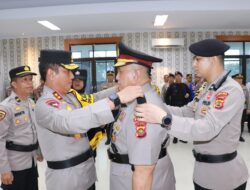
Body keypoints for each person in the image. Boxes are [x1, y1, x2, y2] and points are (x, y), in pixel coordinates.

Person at [135, 39, 249, 190]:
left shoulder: (230, 90)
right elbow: (187, 111)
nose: (194, 64)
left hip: (224, 177)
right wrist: (156, 105)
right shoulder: (207, 87)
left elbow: (207, 129)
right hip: (202, 173)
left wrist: (164, 119)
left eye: (198, 59)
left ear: (214, 59)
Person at [34, 49, 143, 190]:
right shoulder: (44, 104)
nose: (73, 76)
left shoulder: (70, 96)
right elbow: (69, 122)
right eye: (67, 71)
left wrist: (118, 88)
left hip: (86, 173)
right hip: (66, 180)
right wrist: (116, 100)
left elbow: (94, 99)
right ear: (51, 73)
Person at [108, 42, 175, 190]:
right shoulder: (135, 99)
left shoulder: (143, 108)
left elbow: (143, 171)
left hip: (132, 180)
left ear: (135, 75)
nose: (117, 77)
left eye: (120, 72)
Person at [0, 66, 43, 190]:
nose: (30, 83)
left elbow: (34, 129)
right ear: (14, 84)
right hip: (14, 166)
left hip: (31, 162)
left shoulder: (31, 103)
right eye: (25, 80)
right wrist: (4, 169)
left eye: (30, 79)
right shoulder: (5, 107)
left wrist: (38, 150)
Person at [165, 71, 190, 143]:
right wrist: (169, 105)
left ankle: (182, 137)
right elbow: (166, 96)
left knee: (183, 123)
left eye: (179, 76)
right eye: (176, 76)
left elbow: (190, 95)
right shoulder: (172, 86)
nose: (178, 77)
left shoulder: (185, 85)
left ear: (181, 77)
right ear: (175, 77)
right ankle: (175, 137)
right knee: (175, 123)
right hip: (174, 107)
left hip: (183, 108)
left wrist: (187, 96)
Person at [232, 73, 250, 142]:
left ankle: (240, 136)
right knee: (234, 123)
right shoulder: (232, 87)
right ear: (235, 79)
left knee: (241, 122)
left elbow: (248, 98)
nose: (240, 80)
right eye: (238, 79)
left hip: (243, 108)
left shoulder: (245, 87)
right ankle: (233, 136)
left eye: (241, 79)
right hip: (234, 108)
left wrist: (248, 108)